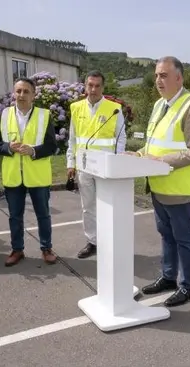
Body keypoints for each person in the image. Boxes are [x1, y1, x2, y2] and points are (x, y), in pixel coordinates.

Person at [131, 56, 190, 307]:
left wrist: (160, 160)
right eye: (156, 75)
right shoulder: (159, 105)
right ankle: (168, 278)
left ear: (179, 78)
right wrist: (139, 154)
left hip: (179, 189)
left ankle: (186, 287)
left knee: (183, 239)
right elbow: (154, 144)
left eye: (163, 75)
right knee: (166, 235)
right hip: (158, 185)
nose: (158, 80)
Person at [0, 78, 58, 266]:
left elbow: (52, 146)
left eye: (26, 91)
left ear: (34, 95)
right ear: (14, 93)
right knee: (14, 216)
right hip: (13, 175)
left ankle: (47, 248)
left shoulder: (44, 115)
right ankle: (17, 250)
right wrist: (8, 147)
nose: (21, 95)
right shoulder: (4, 115)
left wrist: (34, 151)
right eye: (18, 91)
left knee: (43, 215)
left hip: (37, 175)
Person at [65, 71, 126, 259]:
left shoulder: (114, 108)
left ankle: (110, 241)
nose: (93, 89)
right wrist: (71, 163)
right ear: (85, 86)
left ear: (103, 87)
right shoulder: (75, 108)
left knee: (108, 206)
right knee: (88, 206)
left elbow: (120, 138)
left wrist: (117, 161)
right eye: (90, 85)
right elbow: (73, 139)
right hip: (84, 167)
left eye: (97, 86)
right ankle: (92, 242)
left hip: (106, 167)